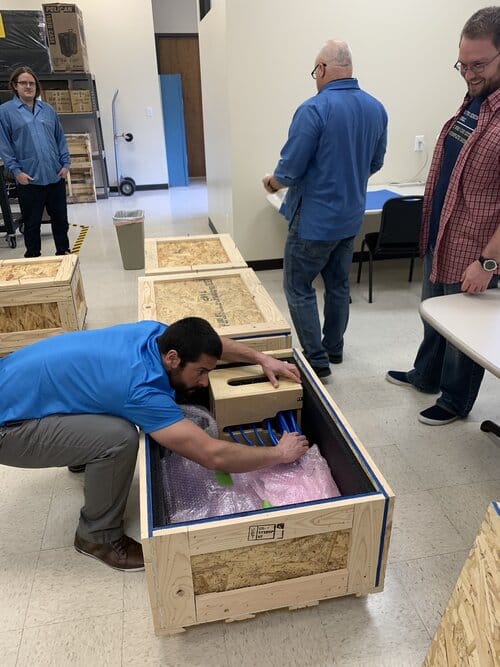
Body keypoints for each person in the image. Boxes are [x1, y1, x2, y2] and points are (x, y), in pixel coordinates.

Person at [0, 317, 308, 571]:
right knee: (119, 438)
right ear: (172, 359)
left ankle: (82, 452)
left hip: (11, 379)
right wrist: (279, 453)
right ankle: (97, 536)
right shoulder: (142, 388)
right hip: (8, 429)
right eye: (200, 372)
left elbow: (210, 345)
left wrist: (261, 357)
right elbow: (211, 455)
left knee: (101, 397)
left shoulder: (156, 334)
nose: (204, 381)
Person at [387, 7, 500, 426]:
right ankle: (425, 375)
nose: (469, 73)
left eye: (480, 65)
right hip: (443, 237)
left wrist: (488, 263)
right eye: (463, 64)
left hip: (477, 252)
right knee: (433, 314)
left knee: (462, 334)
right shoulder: (476, 101)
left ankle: (454, 400)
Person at [262, 39, 387, 378]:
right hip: (350, 218)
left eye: (314, 71)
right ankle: (334, 349)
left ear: (322, 69)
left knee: (297, 286)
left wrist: (272, 183)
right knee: (338, 285)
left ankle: (316, 359)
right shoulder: (377, 109)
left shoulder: (313, 109)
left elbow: (290, 169)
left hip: (314, 221)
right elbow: (374, 162)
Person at [0, 66, 71, 257]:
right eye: (23, 83)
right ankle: (33, 257)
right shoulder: (5, 112)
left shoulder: (47, 110)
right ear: (15, 86)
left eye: (31, 83)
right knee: (31, 224)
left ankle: (63, 254)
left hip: (54, 176)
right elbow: (4, 146)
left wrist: (65, 165)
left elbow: (60, 138)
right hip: (29, 179)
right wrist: (16, 172)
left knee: (61, 221)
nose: (28, 86)